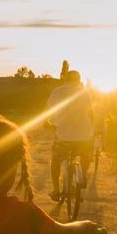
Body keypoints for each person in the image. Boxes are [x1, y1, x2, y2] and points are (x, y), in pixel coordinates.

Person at [46, 69, 95, 202]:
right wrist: (92, 129)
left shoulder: (57, 91)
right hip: (84, 134)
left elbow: (50, 109)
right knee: (85, 155)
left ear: (66, 79)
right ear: (79, 80)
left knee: (55, 159)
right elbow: (90, 111)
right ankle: (82, 175)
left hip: (64, 135)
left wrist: (49, 122)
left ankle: (56, 190)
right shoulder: (84, 92)